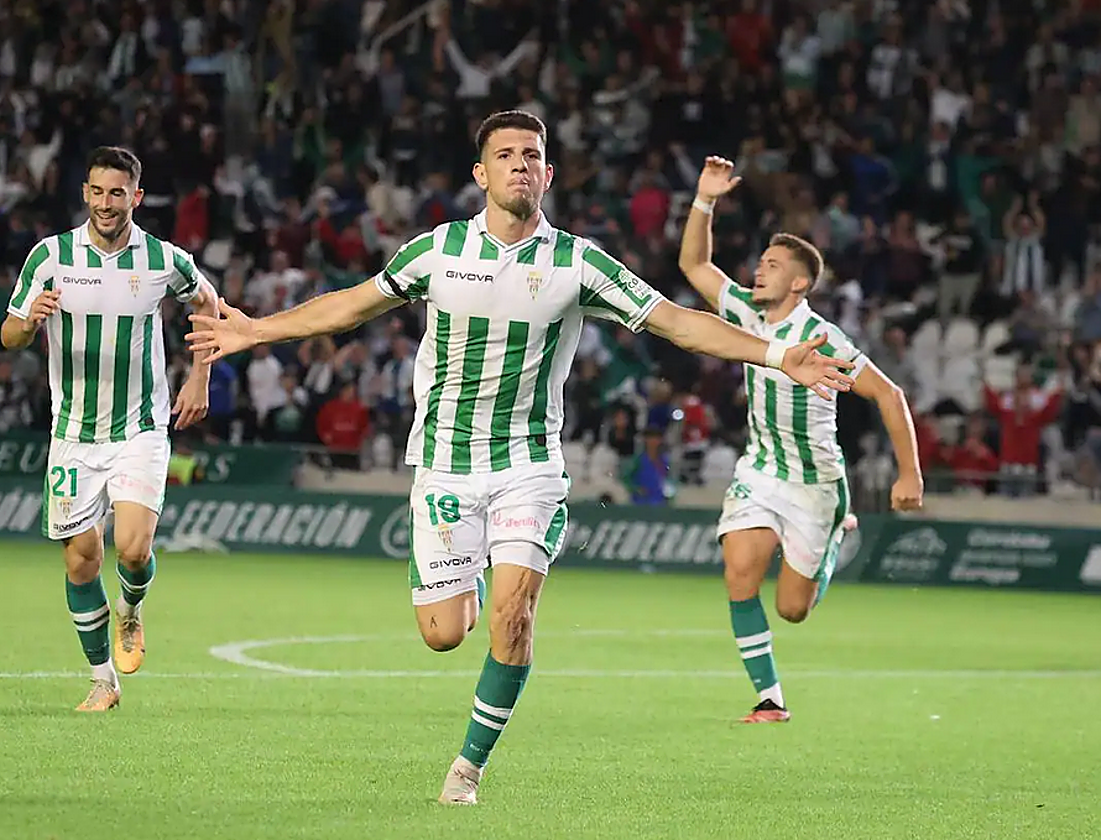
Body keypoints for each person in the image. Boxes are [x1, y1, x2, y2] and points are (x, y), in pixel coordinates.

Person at [185, 111, 852, 802]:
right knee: (444, 634)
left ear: (549, 173)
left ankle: (467, 769)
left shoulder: (578, 262)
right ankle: (467, 579)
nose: (520, 165)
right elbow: (352, 306)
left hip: (527, 468)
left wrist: (780, 355)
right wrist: (257, 329)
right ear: (481, 174)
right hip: (446, 464)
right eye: (505, 155)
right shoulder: (437, 250)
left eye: (531, 155)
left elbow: (676, 322)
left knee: (515, 616)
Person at [676, 156, 924, 723]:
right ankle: (770, 699)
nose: (758, 272)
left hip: (816, 484)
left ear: (800, 283)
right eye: (759, 262)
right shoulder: (742, 309)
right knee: (740, 570)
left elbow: (890, 396)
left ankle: (838, 531)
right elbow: (694, 262)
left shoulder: (823, 337)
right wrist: (705, 200)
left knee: (793, 609)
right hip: (760, 468)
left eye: (771, 265)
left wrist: (909, 474)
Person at [0, 146, 216, 712]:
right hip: (72, 433)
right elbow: (8, 334)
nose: (105, 203)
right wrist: (29, 322)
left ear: (135, 198)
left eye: (117, 193)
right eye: (96, 192)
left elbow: (210, 305)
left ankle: (132, 610)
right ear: (85, 195)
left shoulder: (162, 259)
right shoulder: (50, 257)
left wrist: (200, 379)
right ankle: (103, 681)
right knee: (80, 558)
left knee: (133, 549)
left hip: (141, 428)